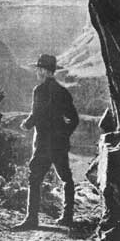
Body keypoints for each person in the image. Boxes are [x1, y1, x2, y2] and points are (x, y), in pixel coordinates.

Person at [12, 54, 79, 231]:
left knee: (34, 179)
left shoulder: (39, 90)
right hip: (59, 144)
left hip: (42, 144)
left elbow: (36, 115)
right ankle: (67, 216)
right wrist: (64, 135)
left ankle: (31, 219)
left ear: (44, 71)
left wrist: (26, 125)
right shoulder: (63, 92)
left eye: (39, 69)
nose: (37, 72)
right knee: (66, 178)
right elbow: (74, 119)